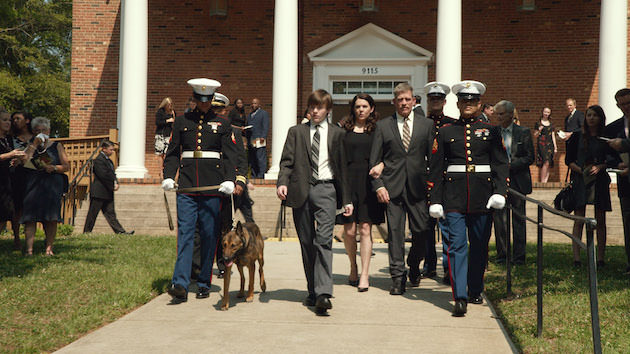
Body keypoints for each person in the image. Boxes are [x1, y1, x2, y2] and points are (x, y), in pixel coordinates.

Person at [428, 80, 508, 316]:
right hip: (453, 197)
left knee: (480, 246)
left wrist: (500, 192)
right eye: (464, 101)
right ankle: (459, 295)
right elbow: (435, 168)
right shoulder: (445, 132)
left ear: (479, 104)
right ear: (458, 103)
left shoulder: (492, 132)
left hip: (482, 197)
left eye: (472, 101)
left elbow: (501, 164)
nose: (468, 105)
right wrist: (435, 199)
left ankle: (475, 288)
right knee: (456, 246)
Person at [277, 89, 352, 315]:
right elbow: (286, 162)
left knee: (323, 241)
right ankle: (313, 289)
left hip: (327, 190)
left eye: (319, 107)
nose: (315, 111)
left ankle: (323, 293)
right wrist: (282, 182)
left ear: (328, 110)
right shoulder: (296, 132)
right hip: (301, 190)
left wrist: (347, 199)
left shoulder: (337, 134)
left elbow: (343, 169)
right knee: (307, 243)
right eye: (312, 107)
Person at [161, 78, 237, 303]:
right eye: (200, 100)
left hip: (212, 187)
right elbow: (174, 152)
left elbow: (230, 154)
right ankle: (180, 284)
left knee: (209, 234)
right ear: (194, 100)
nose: (204, 105)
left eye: (208, 101)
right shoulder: (181, 121)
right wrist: (168, 175)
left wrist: (230, 179)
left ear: (212, 100)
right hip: (186, 186)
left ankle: (204, 281)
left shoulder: (222, 124)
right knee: (185, 235)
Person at [369, 82, 434, 294]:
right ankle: (397, 277)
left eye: (407, 99)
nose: (404, 103)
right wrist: (378, 186)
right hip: (392, 188)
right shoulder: (383, 126)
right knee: (395, 235)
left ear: (414, 101)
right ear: (394, 102)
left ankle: (414, 264)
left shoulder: (426, 125)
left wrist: (434, 187)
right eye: (400, 100)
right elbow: (374, 160)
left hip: (418, 188)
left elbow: (433, 160)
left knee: (422, 231)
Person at [335, 94, 385, 292]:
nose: (361, 110)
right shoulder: (343, 131)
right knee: (349, 231)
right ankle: (352, 266)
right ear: (353, 109)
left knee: (365, 229)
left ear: (371, 108)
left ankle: (364, 274)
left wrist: (382, 164)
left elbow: (388, 153)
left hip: (368, 184)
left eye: (365, 106)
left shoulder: (377, 131)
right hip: (348, 183)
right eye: (357, 106)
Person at [566, 105, 613, 268]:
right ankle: (577, 258)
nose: (591, 118)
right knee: (579, 218)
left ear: (600, 118)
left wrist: (600, 167)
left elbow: (611, 159)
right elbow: (569, 160)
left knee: (600, 219)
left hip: (599, 180)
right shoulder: (577, 136)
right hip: (580, 180)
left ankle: (600, 258)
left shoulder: (606, 137)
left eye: (594, 115)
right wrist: (582, 171)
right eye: (588, 115)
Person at [420, 82, 456, 283]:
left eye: (438, 99)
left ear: (444, 101)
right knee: (426, 228)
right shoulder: (422, 124)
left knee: (447, 227)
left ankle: (448, 267)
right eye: (432, 99)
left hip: (446, 182)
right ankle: (429, 265)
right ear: (428, 101)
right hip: (426, 181)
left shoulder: (452, 124)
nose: (435, 102)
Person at [493, 100, 534, 265]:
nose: (499, 117)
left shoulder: (523, 132)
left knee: (518, 220)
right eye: (497, 114)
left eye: (502, 114)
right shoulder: (493, 132)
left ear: (511, 114)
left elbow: (529, 157)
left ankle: (519, 257)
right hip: (499, 183)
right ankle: (502, 255)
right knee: (500, 221)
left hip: (518, 181)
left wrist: (511, 166)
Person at [21, 117, 70, 256]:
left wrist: (53, 167)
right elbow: (25, 160)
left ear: (49, 131)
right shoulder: (30, 145)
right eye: (37, 131)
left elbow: (66, 166)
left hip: (52, 184)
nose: (41, 133)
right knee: (30, 217)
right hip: (33, 184)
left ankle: (49, 248)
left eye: (44, 130)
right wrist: (35, 144)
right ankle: (29, 250)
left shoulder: (57, 145)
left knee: (51, 218)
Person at [82, 140, 133, 235]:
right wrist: (112, 184)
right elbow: (103, 175)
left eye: (113, 150)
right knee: (92, 214)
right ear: (104, 149)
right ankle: (86, 232)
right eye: (110, 149)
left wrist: (116, 182)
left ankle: (120, 232)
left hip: (108, 192)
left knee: (111, 214)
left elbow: (112, 174)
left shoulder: (109, 161)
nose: (112, 151)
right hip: (99, 192)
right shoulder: (98, 160)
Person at [605, 88, 630, 274]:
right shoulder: (614, 128)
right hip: (625, 184)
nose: (625, 107)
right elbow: (608, 155)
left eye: (628, 103)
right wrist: (618, 164)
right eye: (621, 104)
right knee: (628, 224)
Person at [0, 111, 26, 245]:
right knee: (2, 213)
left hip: (10, 179)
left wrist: (16, 160)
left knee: (13, 210)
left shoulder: (9, 139)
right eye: (4, 120)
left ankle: (17, 239)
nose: (8, 123)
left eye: (9, 120)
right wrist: (9, 155)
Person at [10, 111, 32, 249]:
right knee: (16, 209)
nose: (15, 121)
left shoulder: (35, 139)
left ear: (27, 121)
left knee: (29, 209)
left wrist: (24, 161)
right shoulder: (10, 139)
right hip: (14, 178)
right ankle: (17, 238)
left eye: (18, 118)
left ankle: (29, 240)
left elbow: (44, 162)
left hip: (32, 178)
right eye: (13, 119)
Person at [534, 107, 558, 183]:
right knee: (545, 162)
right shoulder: (538, 123)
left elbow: (553, 135)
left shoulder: (551, 124)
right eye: (545, 112)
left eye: (548, 112)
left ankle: (546, 181)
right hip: (542, 144)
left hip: (550, 145)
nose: (546, 114)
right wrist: (539, 130)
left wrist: (555, 147)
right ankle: (542, 181)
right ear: (542, 112)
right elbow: (535, 135)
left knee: (549, 163)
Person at [248, 98, 269, 178]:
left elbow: (265, 125)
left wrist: (263, 136)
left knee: (260, 157)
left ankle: (261, 175)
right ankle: (254, 175)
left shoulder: (263, 113)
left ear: (259, 104)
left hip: (260, 139)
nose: (253, 105)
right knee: (253, 158)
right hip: (252, 139)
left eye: (255, 103)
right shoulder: (250, 115)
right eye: (252, 104)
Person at [155, 97, 176, 170]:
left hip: (168, 135)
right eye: (168, 105)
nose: (169, 106)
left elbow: (175, 123)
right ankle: (160, 170)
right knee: (160, 153)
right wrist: (167, 121)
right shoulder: (160, 112)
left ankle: (166, 168)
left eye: (170, 104)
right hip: (160, 134)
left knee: (167, 153)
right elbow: (158, 122)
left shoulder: (172, 112)